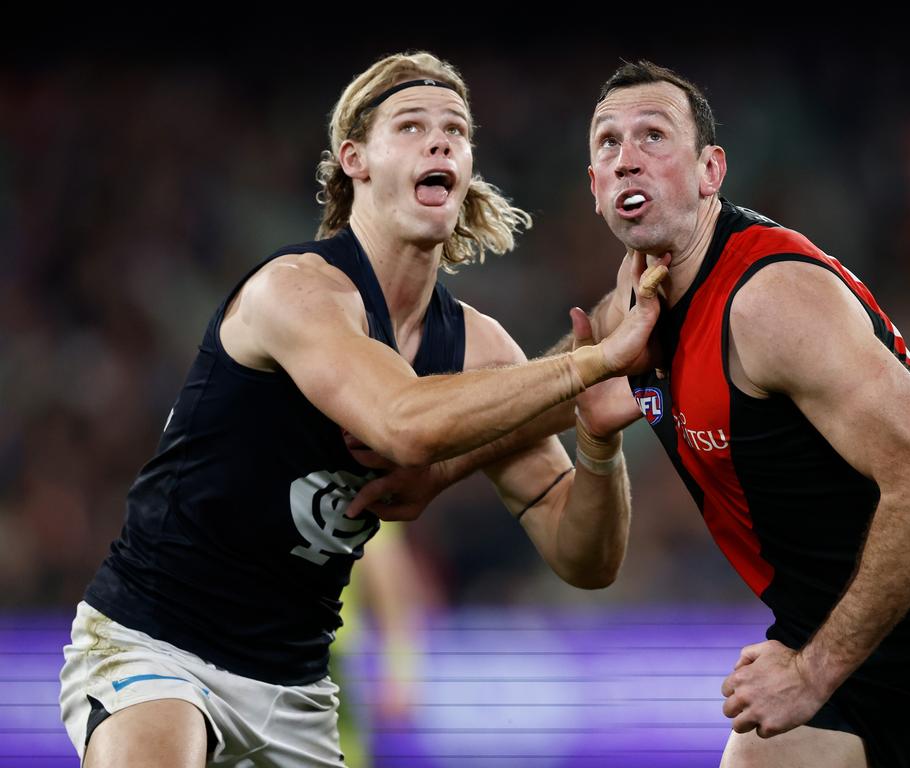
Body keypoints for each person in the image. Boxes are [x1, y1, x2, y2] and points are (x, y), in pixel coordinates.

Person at [57, 51, 669, 768]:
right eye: (410, 126)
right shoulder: (296, 290)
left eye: (456, 130)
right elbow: (402, 422)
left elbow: (585, 559)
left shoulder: (481, 352)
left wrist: (596, 438)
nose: (440, 141)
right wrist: (590, 363)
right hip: (156, 642)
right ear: (355, 160)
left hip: (295, 688)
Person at [575, 60, 910, 767]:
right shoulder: (631, 310)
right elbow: (578, 545)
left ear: (709, 170)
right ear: (596, 189)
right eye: (607, 144)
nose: (627, 158)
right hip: (832, 640)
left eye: (654, 136)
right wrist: (595, 444)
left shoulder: (771, 300)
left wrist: (812, 672)